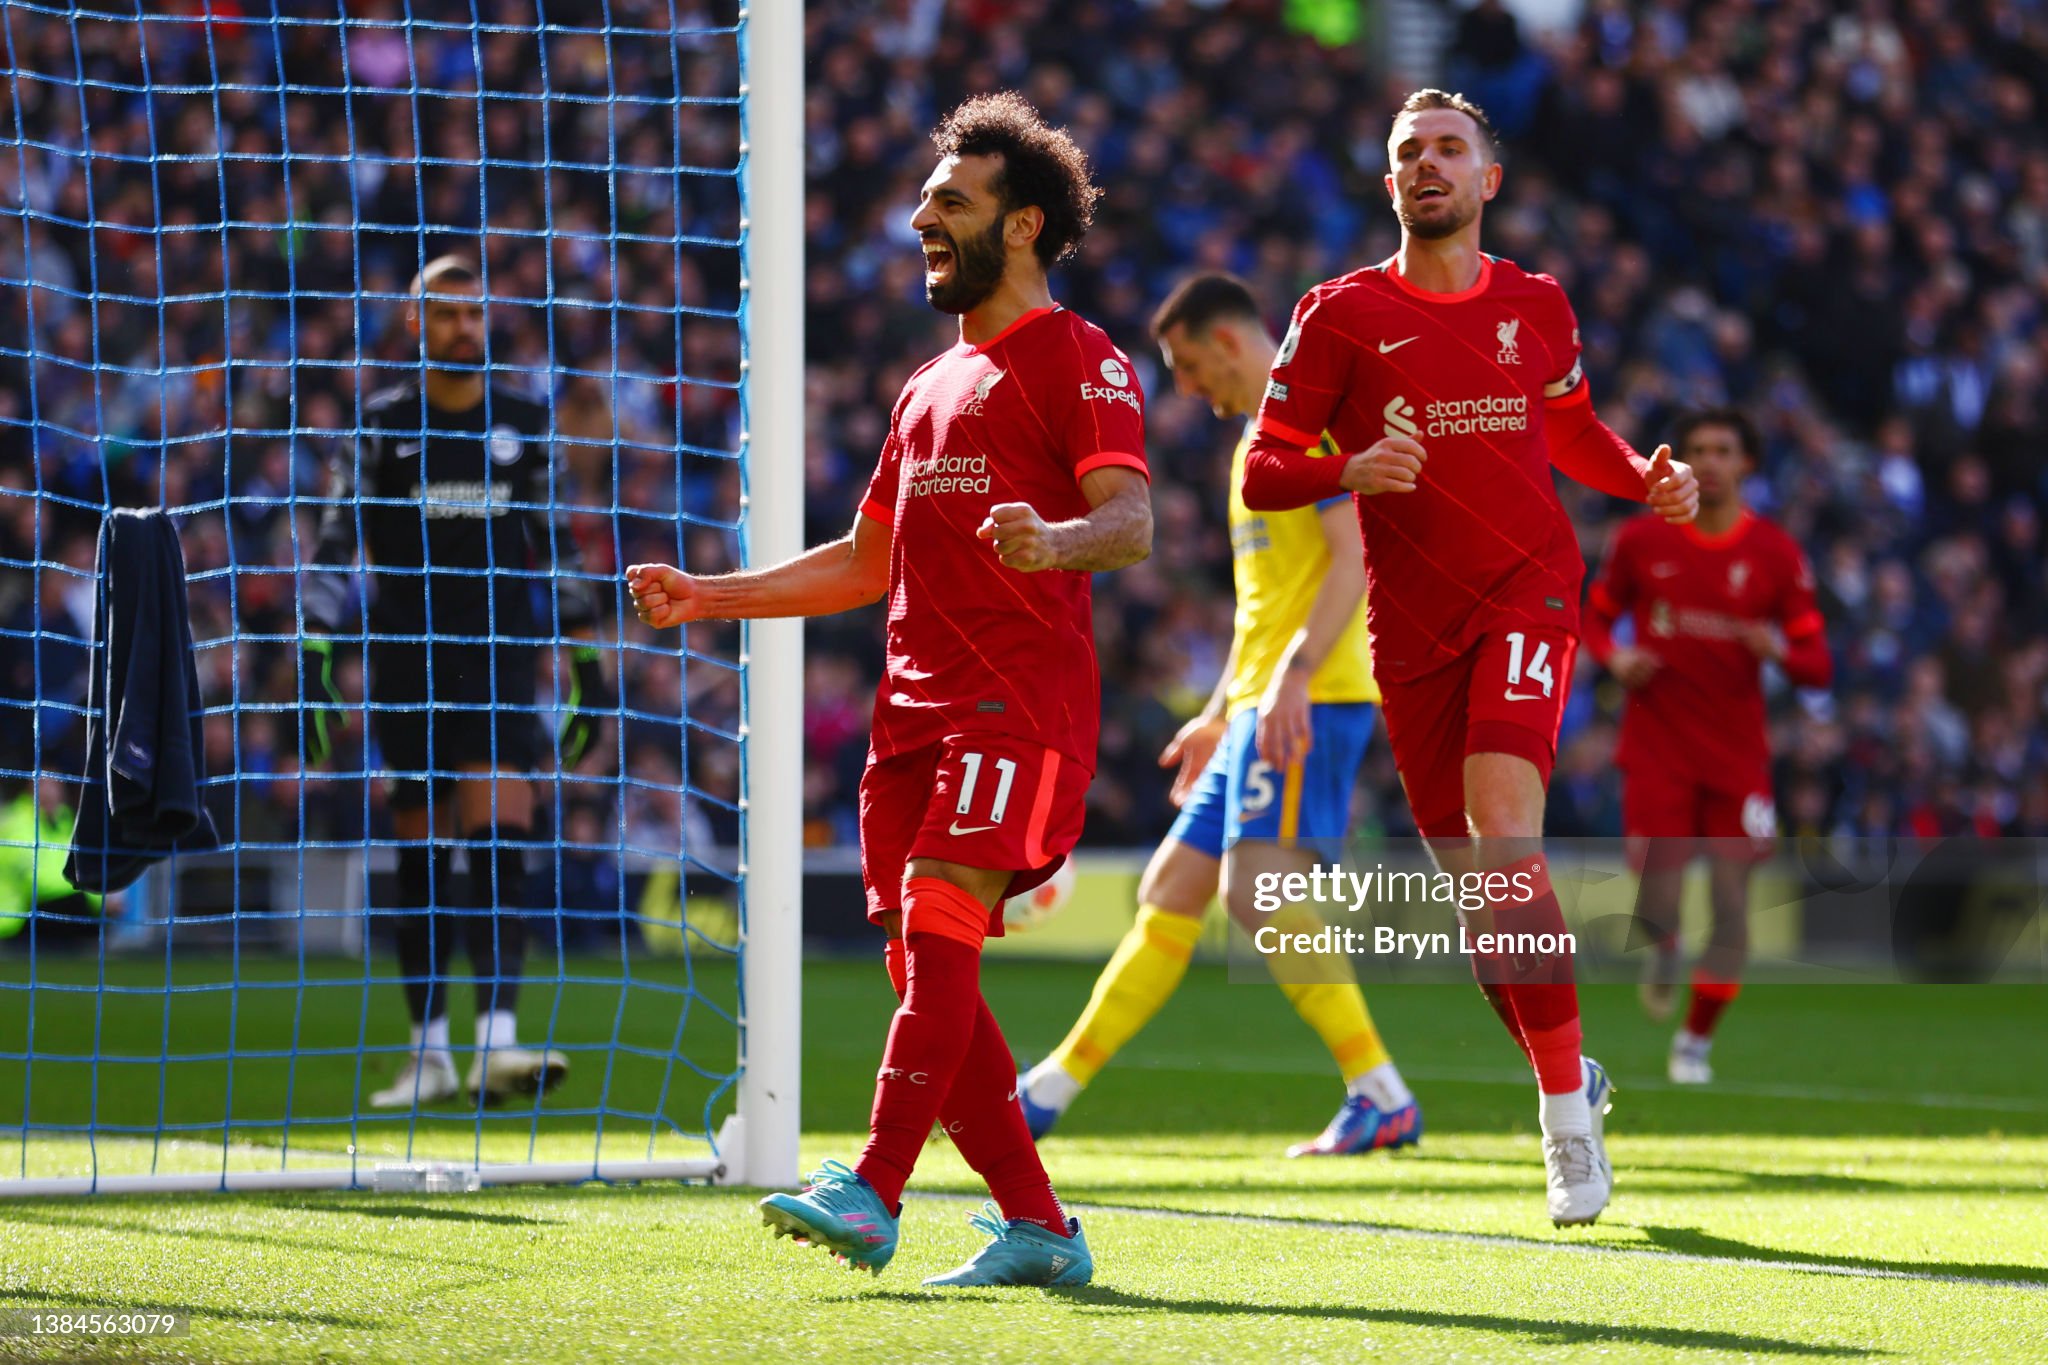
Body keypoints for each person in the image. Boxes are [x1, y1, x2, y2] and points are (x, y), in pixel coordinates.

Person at [628, 93, 1151, 1286]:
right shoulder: (925, 388)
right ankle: (1039, 1228)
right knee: (926, 969)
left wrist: (1055, 542)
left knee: (939, 920)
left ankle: (872, 1186)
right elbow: (867, 562)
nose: (920, 219)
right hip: (909, 717)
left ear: (1022, 225)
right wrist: (708, 597)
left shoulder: (1079, 357)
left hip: (1015, 701)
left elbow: (1130, 522)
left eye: (949, 202)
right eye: (922, 201)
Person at [1239, 89, 1700, 1226]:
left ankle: (1563, 1126)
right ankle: (1574, 1070)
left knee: (1506, 834)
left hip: (1528, 592)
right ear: (1388, 182)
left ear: (1488, 179)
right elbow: (1264, 467)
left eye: (1449, 148)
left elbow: (1567, 427)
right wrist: (1349, 470)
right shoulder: (1337, 314)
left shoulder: (1536, 303)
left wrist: (1639, 478)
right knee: (1486, 905)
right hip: (1411, 633)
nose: (1427, 164)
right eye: (1409, 152)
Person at [1019, 273, 1420, 1157]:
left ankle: (1380, 1091)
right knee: (1170, 887)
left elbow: (1353, 560)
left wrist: (1294, 678)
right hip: (1259, 702)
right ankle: (1047, 1091)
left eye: (1191, 367)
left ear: (1229, 341)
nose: (1189, 390)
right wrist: (1215, 710)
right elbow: (1262, 604)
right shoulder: (1254, 446)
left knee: (1252, 889)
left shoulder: (1316, 421)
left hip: (1312, 698)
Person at [305, 255, 609, 1109]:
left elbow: (560, 545)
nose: (463, 327)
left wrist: (588, 665)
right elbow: (334, 542)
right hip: (408, 662)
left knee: (501, 836)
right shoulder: (379, 428)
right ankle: (430, 1053)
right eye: (445, 312)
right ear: (415, 323)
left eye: (474, 313)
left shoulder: (525, 423)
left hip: (500, 661)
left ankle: (498, 1045)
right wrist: (314, 652)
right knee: (424, 861)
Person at [1584, 407, 1831, 1084]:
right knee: (1657, 900)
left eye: (1723, 449)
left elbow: (1817, 667)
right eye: (1697, 449)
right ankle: (1664, 943)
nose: (1710, 461)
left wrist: (1777, 650)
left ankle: (1694, 1044)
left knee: (1730, 900)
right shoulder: (1640, 540)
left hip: (1736, 756)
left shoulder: (1776, 554)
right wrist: (1615, 657)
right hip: (1657, 747)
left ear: (1747, 462)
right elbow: (1594, 618)